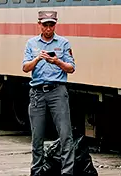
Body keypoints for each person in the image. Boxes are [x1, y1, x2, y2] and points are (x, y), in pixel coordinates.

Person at [22, 10, 76, 176]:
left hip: (57, 92)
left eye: (51, 24)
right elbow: (25, 68)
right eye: (45, 25)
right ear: (39, 25)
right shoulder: (31, 43)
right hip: (38, 92)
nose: (48, 28)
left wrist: (56, 61)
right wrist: (37, 59)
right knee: (37, 137)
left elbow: (71, 68)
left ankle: (67, 172)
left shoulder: (64, 43)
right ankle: (36, 171)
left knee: (65, 134)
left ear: (55, 24)